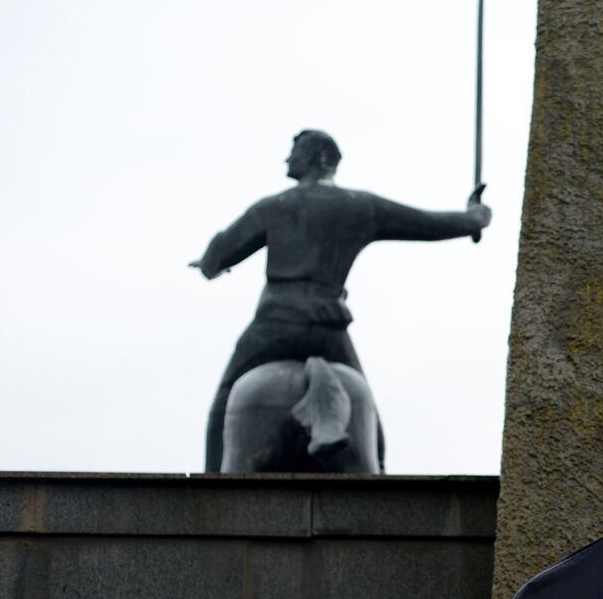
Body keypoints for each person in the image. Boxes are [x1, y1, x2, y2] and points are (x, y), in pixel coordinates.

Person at [191, 129, 491, 471]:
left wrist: (210, 266)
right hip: (327, 327)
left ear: (320, 157)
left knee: (224, 400)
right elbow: (425, 223)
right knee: (370, 418)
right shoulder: (360, 206)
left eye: (295, 151)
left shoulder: (274, 206)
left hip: (275, 325)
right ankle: (377, 477)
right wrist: (473, 219)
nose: (288, 159)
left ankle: (210, 485)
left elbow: (216, 257)